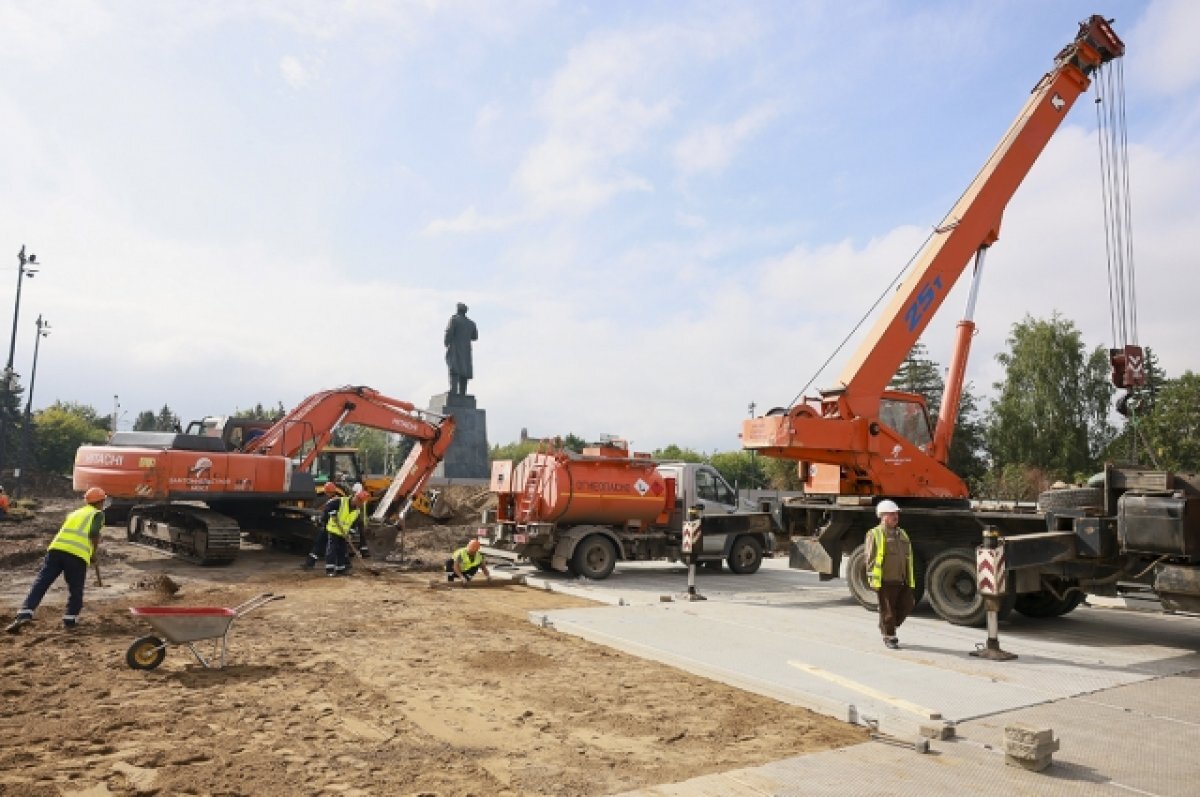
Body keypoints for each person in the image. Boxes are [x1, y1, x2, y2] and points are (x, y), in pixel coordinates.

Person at [5, 487, 107, 633]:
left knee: (42, 582)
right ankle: (70, 619)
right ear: (101, 501)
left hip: (56, 550)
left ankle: (25, 612)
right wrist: (93, 552)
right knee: (76, 588)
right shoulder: (98, 514)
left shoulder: (74, 513)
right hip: (77, 555)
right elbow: (93, 533)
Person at [864, 499, 916, 649]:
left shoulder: (902, 533)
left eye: (896, 514)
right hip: (885, 580)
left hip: (902, 579)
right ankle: (889, 636)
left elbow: (908, 557)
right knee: (888, 611)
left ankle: (886, 625)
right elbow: (870, 559)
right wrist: (873, 580)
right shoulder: (875, 534)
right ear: (883, 516)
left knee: (908, 604)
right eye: (892, 514)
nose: (896, 516)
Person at [323, 489, 370, 577]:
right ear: (354, 497)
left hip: (343, 533)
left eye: (361, 502)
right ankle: (330, 570)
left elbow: (353, 524)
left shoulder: (357, 511)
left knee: (342, 550)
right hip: (333, 529)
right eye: (358, 499)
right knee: (332, 549)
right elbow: (328, 506)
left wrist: (350, 534)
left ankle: (340, 569)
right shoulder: (341, 501)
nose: (358, 502)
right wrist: (332, 513)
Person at [301, 481, 342, 569]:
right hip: (335, 528)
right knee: (328, 546)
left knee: (320, 544)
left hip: (329, 527)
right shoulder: (339, 500)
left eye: (326, 492)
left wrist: (316, 519)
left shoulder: (331, 502)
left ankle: (310, 564)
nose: (326, 493)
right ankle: (310, 563)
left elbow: (326, 516)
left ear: (328, 492)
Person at [444, 301, 478, 396]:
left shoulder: (454, 320)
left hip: (455, 348)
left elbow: (449, 333)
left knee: (453, 368)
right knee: (464, 370)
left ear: (458, 310)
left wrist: (446, 342)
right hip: (466, 350)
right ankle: (463, 392)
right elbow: (475, 337)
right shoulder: (471, 323)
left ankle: (453, 390)